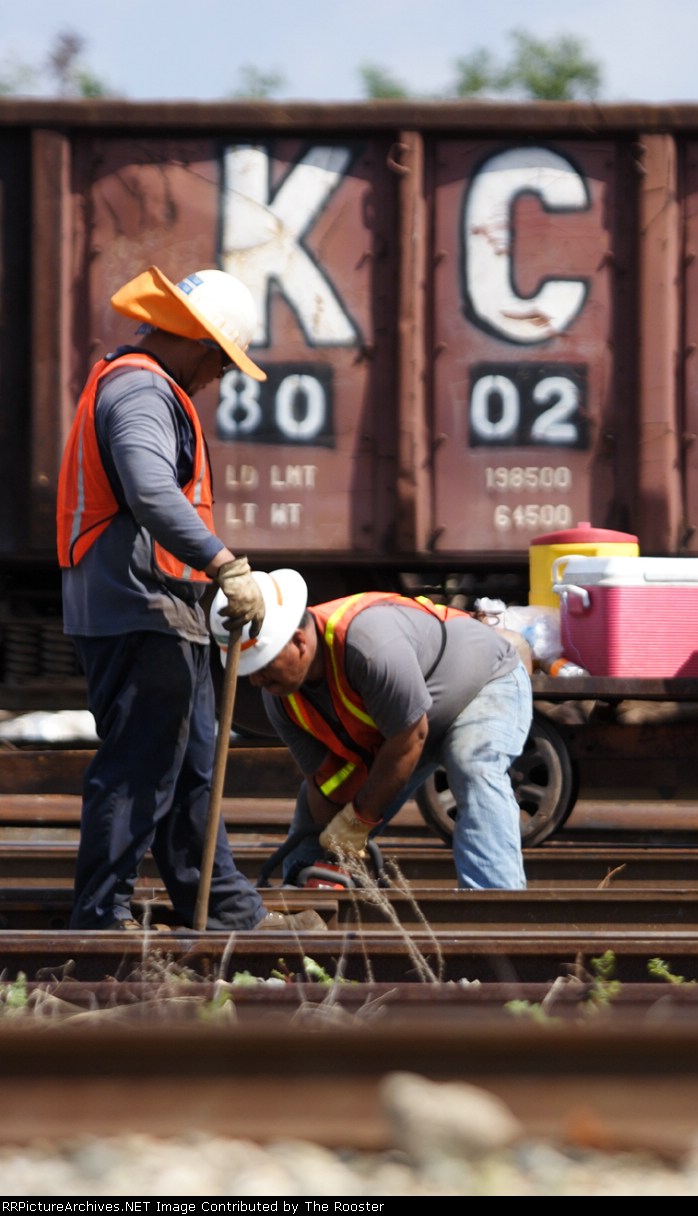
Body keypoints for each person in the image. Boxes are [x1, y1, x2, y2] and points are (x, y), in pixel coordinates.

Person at [56, 265, 323, 932]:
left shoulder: (138, 386)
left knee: (190, 768)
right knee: (141, 768)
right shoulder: (142, 392)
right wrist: (223, 563)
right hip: (140, 609)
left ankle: (225, 908)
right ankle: (101, 922)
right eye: (222, 361)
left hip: (162, 608)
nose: (219, 377)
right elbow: (149, 492)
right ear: (201, 344)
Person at [209, 570, 534, 889]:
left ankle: (496, 899)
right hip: (409, 723)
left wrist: (359, 820)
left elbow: (410, 738)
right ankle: (304, 902)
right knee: (313, 821)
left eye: (262, 666)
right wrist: (330, 847)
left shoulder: (368, 647)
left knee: (472, 766)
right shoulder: (281, 699)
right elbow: (325, 782)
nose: (256, 681)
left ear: (299, 642)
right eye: (248, 671)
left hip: (484, 683)